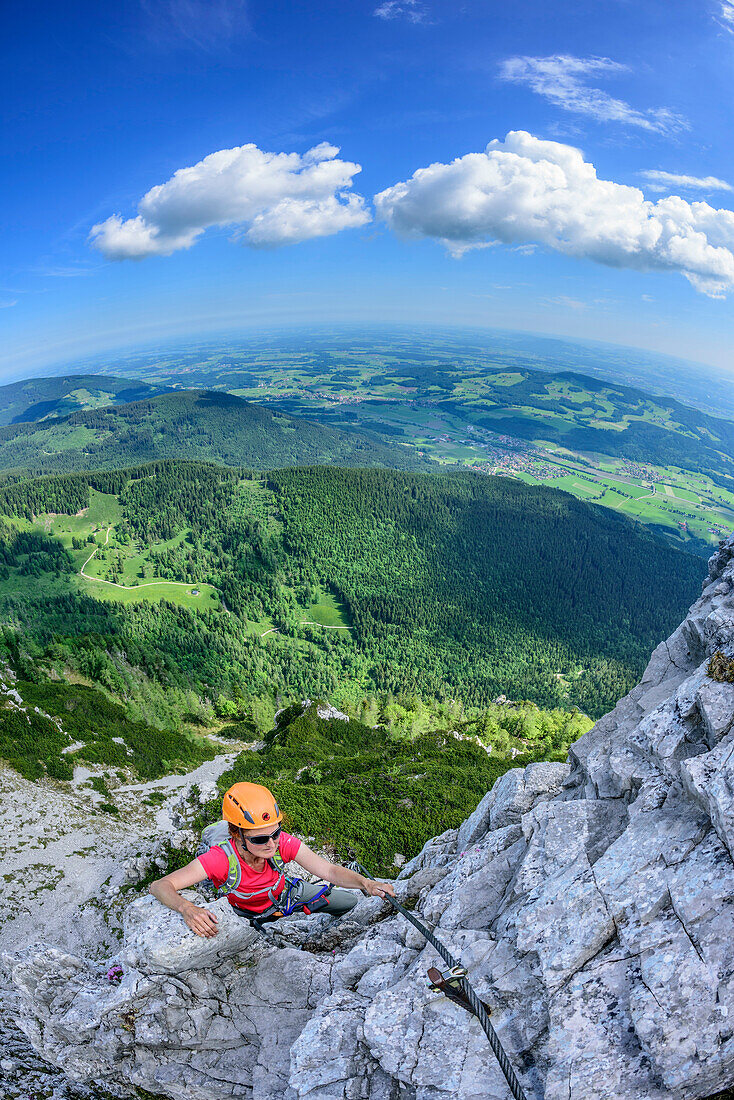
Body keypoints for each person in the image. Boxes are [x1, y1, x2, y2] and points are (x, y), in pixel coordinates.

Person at [149, 781, 395, 938]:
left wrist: (366, 883)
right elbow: (160, 885)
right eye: (259, 839)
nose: (271, 844)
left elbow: (329, 871)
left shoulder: (282, 843)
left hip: (284, 896)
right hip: (243, 913)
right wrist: (187, 908)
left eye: (275, 833)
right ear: (237, 834)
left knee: (350, 903)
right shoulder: (220, 859)